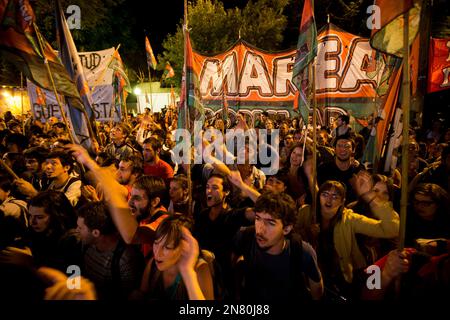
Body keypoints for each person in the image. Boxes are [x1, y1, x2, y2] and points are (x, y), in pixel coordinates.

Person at [296, 172, 400, 300]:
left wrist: (370, 196)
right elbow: (288, 236)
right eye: (325, 194)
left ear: (342, 202)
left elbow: (391, 229)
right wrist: (306, 233)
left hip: (342, 279)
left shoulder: (349, 219)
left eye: (335, 196)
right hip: (309, 276)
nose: (329, 200)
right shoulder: (305, 212)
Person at [232, 191, 324, 301]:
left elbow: (317, 293)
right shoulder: (245, 236)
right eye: (258, 219)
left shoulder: (302, 251)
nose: (260, 230)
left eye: (270, 223)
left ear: (286, 229)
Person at [77, 202, 144, 300]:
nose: (76, 230)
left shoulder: (125, 260)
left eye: (80, 228)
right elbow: (74, 271)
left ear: (96, 233)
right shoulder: (84, 244)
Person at [138, 215, 214, 300]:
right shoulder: (153, 263)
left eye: (167, 247)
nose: (157, 253)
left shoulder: (200, 269)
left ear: (185, 247)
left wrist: (187, 272)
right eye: (156, 243)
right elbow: (141, 293)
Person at [26, 191, 81, 271]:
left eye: (39, 217)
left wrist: (31, 263)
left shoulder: (73, 240)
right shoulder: (39, 231)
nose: (32, 222)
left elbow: (73, 279)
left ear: (56, 216)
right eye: (30, 216)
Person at [15, 150, 82, 207]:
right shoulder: (50, 184)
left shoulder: (75, 184)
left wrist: (33, 193)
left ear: (66, 167)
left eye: (54, 163)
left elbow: (64, 206)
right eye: (47, 163)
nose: (48, 167)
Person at [318, 134, 365, 204]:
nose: (343, 149)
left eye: (347, 146)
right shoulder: (323, 169)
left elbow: (364, 199)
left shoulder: (359, 171)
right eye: (339, 146)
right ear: (334, 149)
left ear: (353, 150)